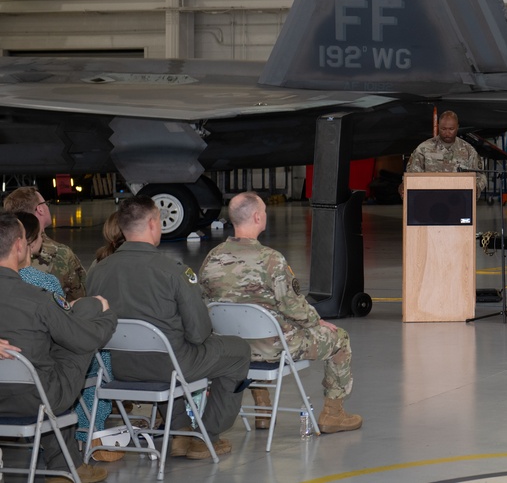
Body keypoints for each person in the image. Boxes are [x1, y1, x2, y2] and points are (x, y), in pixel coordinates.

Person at [86, 196, 251, 460]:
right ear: (153, 224)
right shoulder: (173, 271)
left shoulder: (97, 271)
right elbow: (199, 333)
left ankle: (179, 431)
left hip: (117, 366)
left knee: (168, 352)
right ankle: (206, 436)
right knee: (238, 351)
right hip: (170, 365)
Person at [199, 192, 362, 434]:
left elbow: (203, 304)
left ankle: (263, 410)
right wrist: (317, 322)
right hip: (274, 347)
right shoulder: (271, 260)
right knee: (340, 340)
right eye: (264, 211)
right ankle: (333, 414)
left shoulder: (212, 258)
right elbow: (294, 307)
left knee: (244, 334)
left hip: (232, 347)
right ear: (257, 217)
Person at [0, 212, 117, 483]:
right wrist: (107, 317)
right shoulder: (37, 299)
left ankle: (67, 465)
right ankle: (65, 468)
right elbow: (83, 341)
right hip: (36, 399)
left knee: (46, 358)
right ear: (19, 246)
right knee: (80, 336)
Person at [3, 186, 88, 301]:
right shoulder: (62, 254)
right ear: (40, 209)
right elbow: (80, 298)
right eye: (46, 203)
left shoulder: (5, 250)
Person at [402, 110, 486, 196]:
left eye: (451, 129)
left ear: (457, 127)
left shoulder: (469, 150)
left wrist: (476, 188)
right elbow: (411, 175)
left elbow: (481, 176)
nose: (447, 133)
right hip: (429, 200)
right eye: (443, 129)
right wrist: (404, 185)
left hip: (458, 201)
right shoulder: (424, 148)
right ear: (438, 127)